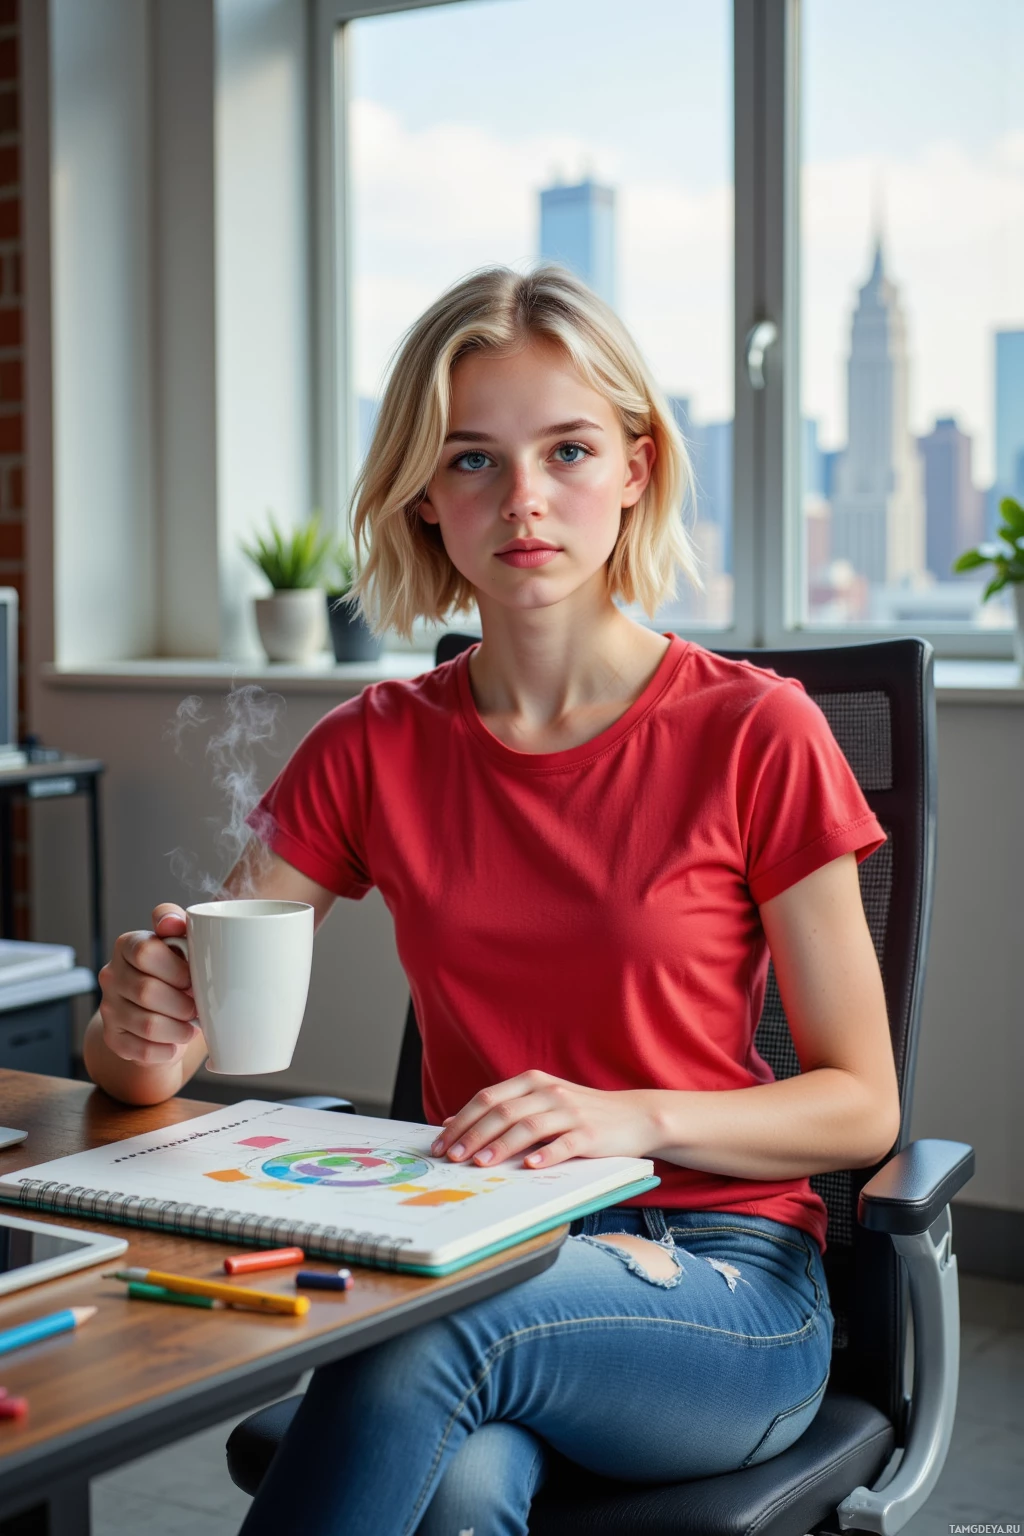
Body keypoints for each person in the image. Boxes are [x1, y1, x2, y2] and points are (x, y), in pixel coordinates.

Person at [84, 265, 900, 1536]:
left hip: (723, 1281)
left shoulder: (757, 732)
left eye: (567, 450)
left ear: (634, 466)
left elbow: (864, 1107)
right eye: (471, 459)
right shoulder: (376, 742)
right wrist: (136, 1032)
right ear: (424, 493)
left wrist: (625, 1116)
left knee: (419, 1334)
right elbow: (189, 1019)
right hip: (482, 1234)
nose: (523, 499)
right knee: (456, 1490)